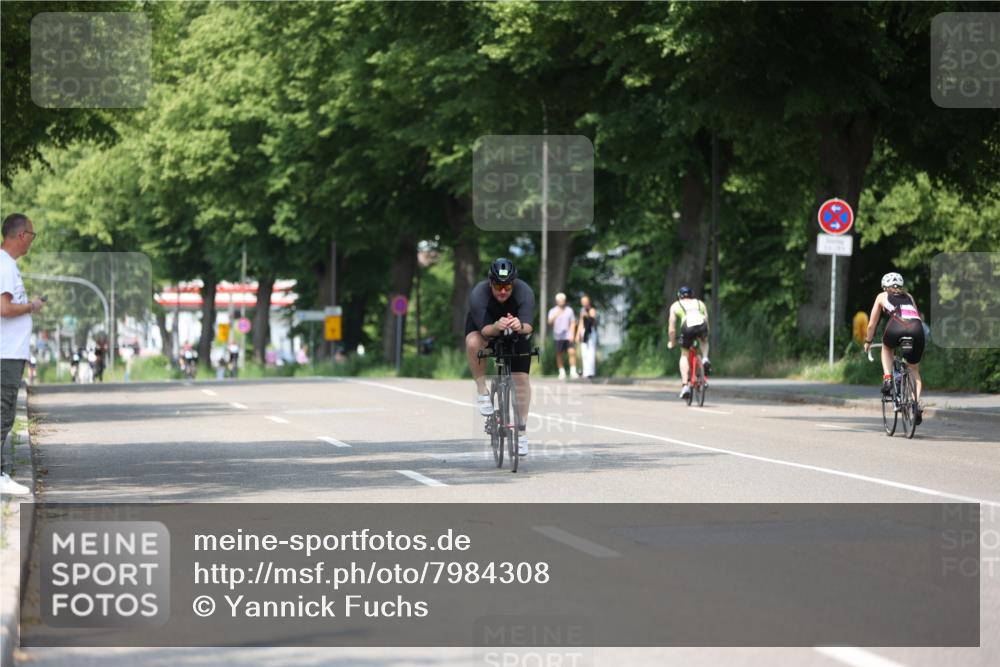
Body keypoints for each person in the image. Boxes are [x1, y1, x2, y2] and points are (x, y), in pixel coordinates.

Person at [465, 258, 535, 456]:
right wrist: (497, 326)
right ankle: (482, 390)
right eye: (498, 286)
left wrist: (519, 326)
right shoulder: (479, 294)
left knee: (521, 378)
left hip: (516, 330)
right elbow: (486, 330)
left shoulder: (525, 292)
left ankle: (521, 432)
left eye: (507, 286)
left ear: (514, 283)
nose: (503, 291)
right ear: (490, 283)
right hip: (485, 326)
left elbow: (529, 326)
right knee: (473, 343)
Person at [1, 213, 43, 495]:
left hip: (9, 353)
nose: (32, 240)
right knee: (3, 413)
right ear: (21, 236)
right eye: (32, 234)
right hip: (5, 354)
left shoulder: (8, 266)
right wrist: (31, 306)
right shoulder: (4, 266)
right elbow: (4, 309)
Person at [863, 272, 926, 425]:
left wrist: (868, 341)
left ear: (885, 286)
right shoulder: (909, 296)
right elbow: (916, 315)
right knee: (914, 371)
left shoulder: (882, 296)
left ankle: (887, 378)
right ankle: (914, 404)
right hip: (917, 330)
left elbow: (871, 324)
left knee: (886, 347)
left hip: (896, 327)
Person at [667, 285, 711, 399]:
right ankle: (705, 358)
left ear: (679, 296)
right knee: (704, 342)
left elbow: (672, 327)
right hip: (702, 325)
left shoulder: (676, 305)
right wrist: (706, 335)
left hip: (687, 327)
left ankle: (685, 385)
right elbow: (706, 319)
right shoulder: (700, 303)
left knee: (684, 355)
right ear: (692, 295)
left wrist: (672, 342)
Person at [548, 292, 578, 379]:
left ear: (565, 301)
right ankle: (561, 372)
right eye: (559, 300)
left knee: (572, 352)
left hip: (568, 335)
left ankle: (573, 371)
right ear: (557, 301)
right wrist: (555, 316)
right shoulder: (553, 311)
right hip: (558, 336)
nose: (561, 301)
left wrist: (572, 334)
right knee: (559, 354)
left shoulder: (569, 310)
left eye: (563, 300)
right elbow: (549, 322)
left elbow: (573, 322)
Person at [576, 294, 598, 379]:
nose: (584, 303)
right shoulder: (582, 311)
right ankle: (585, 371)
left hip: (590, 331)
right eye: (583, 301)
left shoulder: (592, 310)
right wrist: (578, 334)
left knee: (591, 352)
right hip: (584, 331)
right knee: (584, 352)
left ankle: (591, 372)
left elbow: (592, 320)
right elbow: (581, 323)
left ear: (589, 302)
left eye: (585, 301)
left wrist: (587, 315)